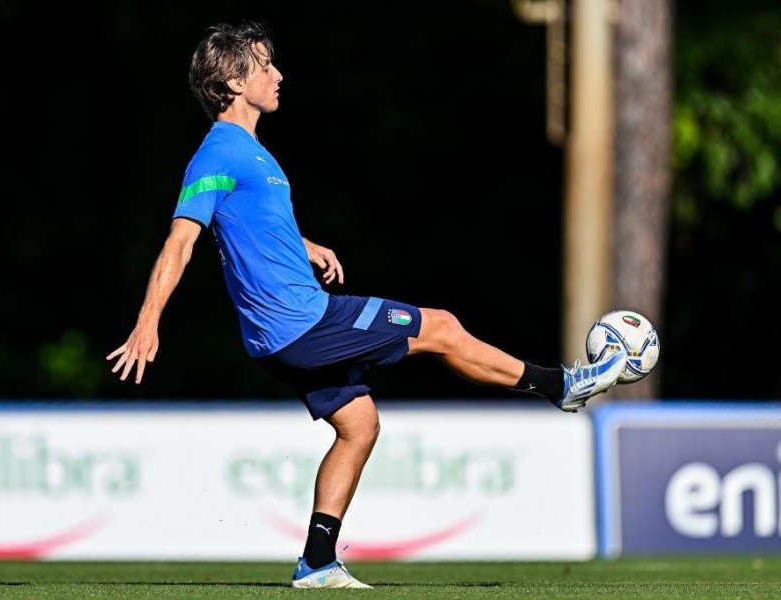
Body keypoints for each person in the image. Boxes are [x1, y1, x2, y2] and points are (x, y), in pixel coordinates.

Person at [106, 20, 627, 589]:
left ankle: (317, 563)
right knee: (441, 327)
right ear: (233, 81)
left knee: (359, 424)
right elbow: (181, 241)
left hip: (281, 336)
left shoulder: (252, 153)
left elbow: (248, 228)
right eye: (264, 65)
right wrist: (147, 323)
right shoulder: (216, 154)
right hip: (303, 325)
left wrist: (304, 247)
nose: (278, 74)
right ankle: (560, 385)